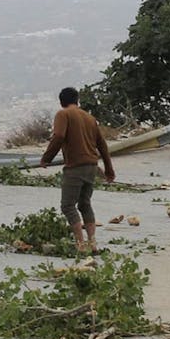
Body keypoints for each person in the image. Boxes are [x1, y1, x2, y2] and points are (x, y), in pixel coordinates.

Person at [39, 87, 115, 253]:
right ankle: (92, 243)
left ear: (61, 101)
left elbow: (58, 136)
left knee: (67, 206)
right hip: (92, 167)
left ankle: (80, 244)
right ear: (77, 100)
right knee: (84, 204)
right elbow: (102, 144)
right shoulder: (89, 117)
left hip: (75, 167)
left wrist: (47, 158)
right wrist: (109, 169)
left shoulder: (63, 114)